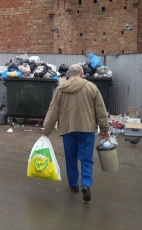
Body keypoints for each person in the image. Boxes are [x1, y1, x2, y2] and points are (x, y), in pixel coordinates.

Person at [42, 64, 110, 202]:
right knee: (86, 159)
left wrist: (46, 130)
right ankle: (86, 184)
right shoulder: (91, 87)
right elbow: (101, 110)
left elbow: (53, 110)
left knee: (70, 158)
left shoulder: (61, 89)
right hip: (86, 128)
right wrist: (105, 129)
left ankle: (73, 185)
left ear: (68, 74)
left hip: (68, 129)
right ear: (82, 73)